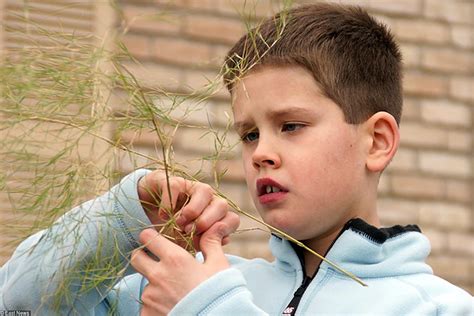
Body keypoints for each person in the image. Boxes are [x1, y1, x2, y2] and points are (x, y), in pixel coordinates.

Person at [1, 3, 473, 315]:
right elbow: (19, 304)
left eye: (291, 125)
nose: (261, 153)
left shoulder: (437, 308)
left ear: (376, 142)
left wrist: (208, 308)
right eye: (249, 134)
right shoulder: (183, 288)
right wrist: (123, 216)